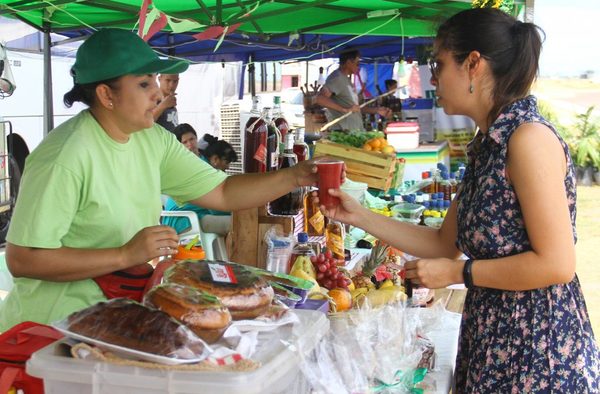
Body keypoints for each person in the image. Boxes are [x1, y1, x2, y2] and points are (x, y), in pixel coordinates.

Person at [321, 8, 599, 392]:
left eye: (438, 65)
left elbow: (556, 264)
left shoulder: (528, 139)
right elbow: (442, 244)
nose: (433, 80)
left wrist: (458, 275)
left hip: (537, 351)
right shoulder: (489, 144)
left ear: (473, 65)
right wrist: (359, 215)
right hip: (494, 341)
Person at [0, 28, 322, 331]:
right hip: (52, 331)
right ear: (106, 95)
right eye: (143, 84)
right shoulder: (65, 156)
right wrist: (125, 254)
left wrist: (295, 176)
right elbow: (22, 259)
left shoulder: (151, 139)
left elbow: (223, 192)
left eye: (154, 80)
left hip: (113, 317)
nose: (157, 92)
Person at [163, 130, 238, 238]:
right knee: (237, 225)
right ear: (215, 159)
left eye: (192, 139)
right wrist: (237, 212)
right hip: (184, 221)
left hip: (183, 218)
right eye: (226, 162)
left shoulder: (199, 165)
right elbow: (216, 207)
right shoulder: (205, 171)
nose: (228, 167)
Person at [316, 49, 391, 131]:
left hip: (353, 130)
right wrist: (345, 110)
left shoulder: (346, 79)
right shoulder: (337, 78)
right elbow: (320, 99)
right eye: (357, 63)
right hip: (343, 131)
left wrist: (377, 110)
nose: (358, 67)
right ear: (348, 62)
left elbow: (354, 108)